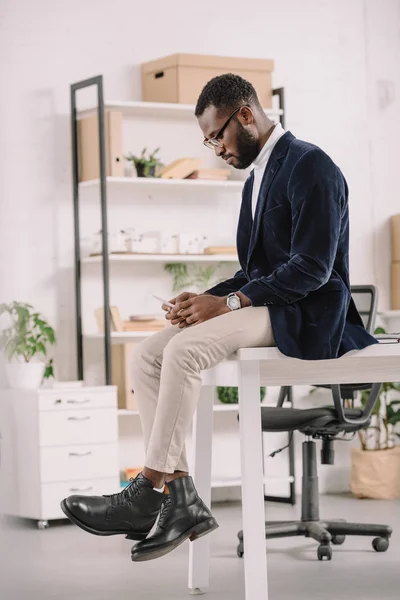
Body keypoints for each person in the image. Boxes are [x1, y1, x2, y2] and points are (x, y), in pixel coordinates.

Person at [61, 73, 377, 562]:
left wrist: (226, 306)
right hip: (268, 305)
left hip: (307, 313)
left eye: (216, 136)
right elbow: (253, 272)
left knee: (184, 351)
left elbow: (312, 269)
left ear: (245, 116)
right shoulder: (256, 180)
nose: (214, 150)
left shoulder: (312, 166)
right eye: (207, 141)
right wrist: (203, 298)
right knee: (148, 354)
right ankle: (181, 497)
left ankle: (147, 491)